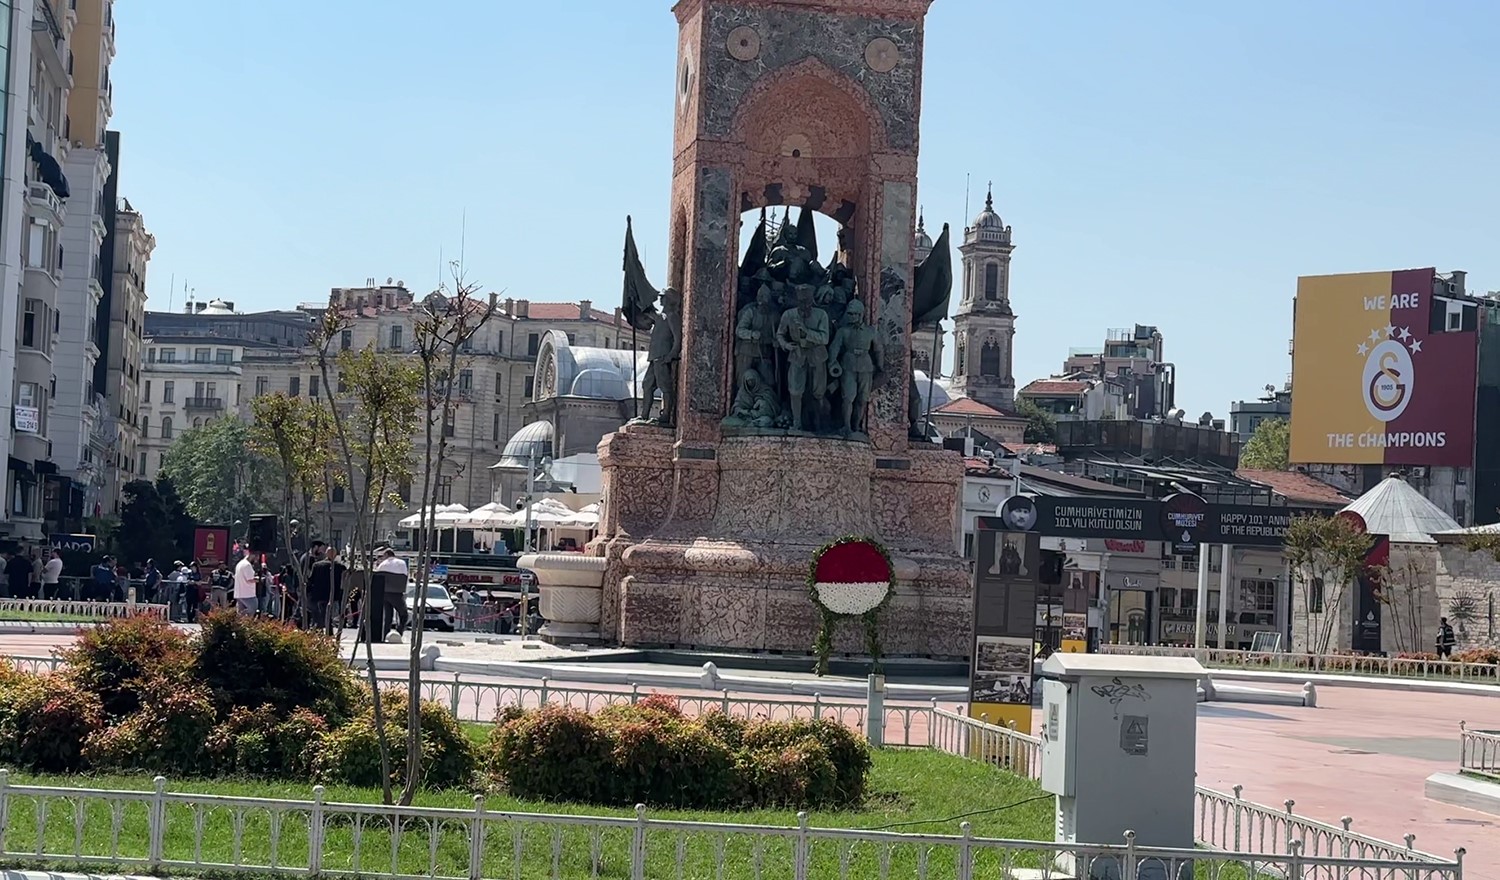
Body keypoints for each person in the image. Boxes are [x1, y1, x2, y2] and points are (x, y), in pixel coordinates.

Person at [375, 548, 410, 638]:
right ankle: (399, 632)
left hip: (384, 593)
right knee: (404, 614)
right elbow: (405, 576)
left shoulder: (382, 564)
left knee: (388, 616)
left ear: (386, 555)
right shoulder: (401, 563)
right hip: (397, 593)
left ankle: (386, 635)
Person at [233, 551, 260, 616]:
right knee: (253, 610)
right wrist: (258, 579)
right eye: (256, 559)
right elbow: (250, 579)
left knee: (240, 614)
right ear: (253, 556)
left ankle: (240, 624)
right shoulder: (247, 565)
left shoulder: (240, 563)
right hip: (248, 594)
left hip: (239, 593)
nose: (256, 561)